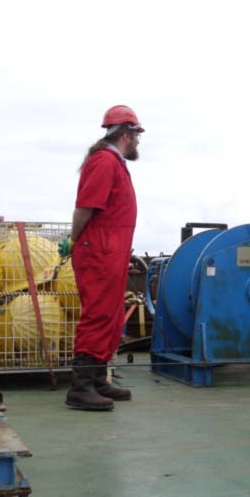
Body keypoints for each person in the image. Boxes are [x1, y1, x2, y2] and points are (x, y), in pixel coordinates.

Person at [64, 105, 143, 410]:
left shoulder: (114, 163)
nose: (138, 140)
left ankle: (97, 380)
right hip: (99, 252)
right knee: (97, 313)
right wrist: (73, 241)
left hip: (111, 252)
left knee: (109, 315)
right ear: (125, 133)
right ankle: (80, 387)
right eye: (136, 134)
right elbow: (84, 208)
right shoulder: (104, 162)